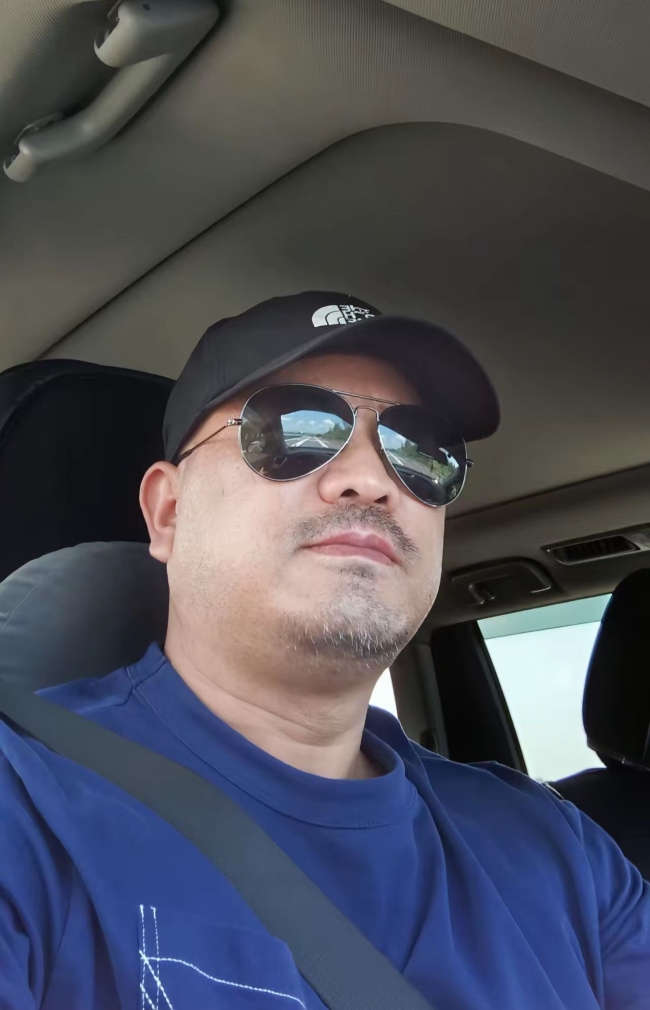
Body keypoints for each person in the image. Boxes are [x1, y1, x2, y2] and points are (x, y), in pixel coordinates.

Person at [0, 291, 648, 1009]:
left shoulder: (558, 847)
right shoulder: (24, 807)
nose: (371, 481)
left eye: (420, 450)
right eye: (294, 430)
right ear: (169, 513)